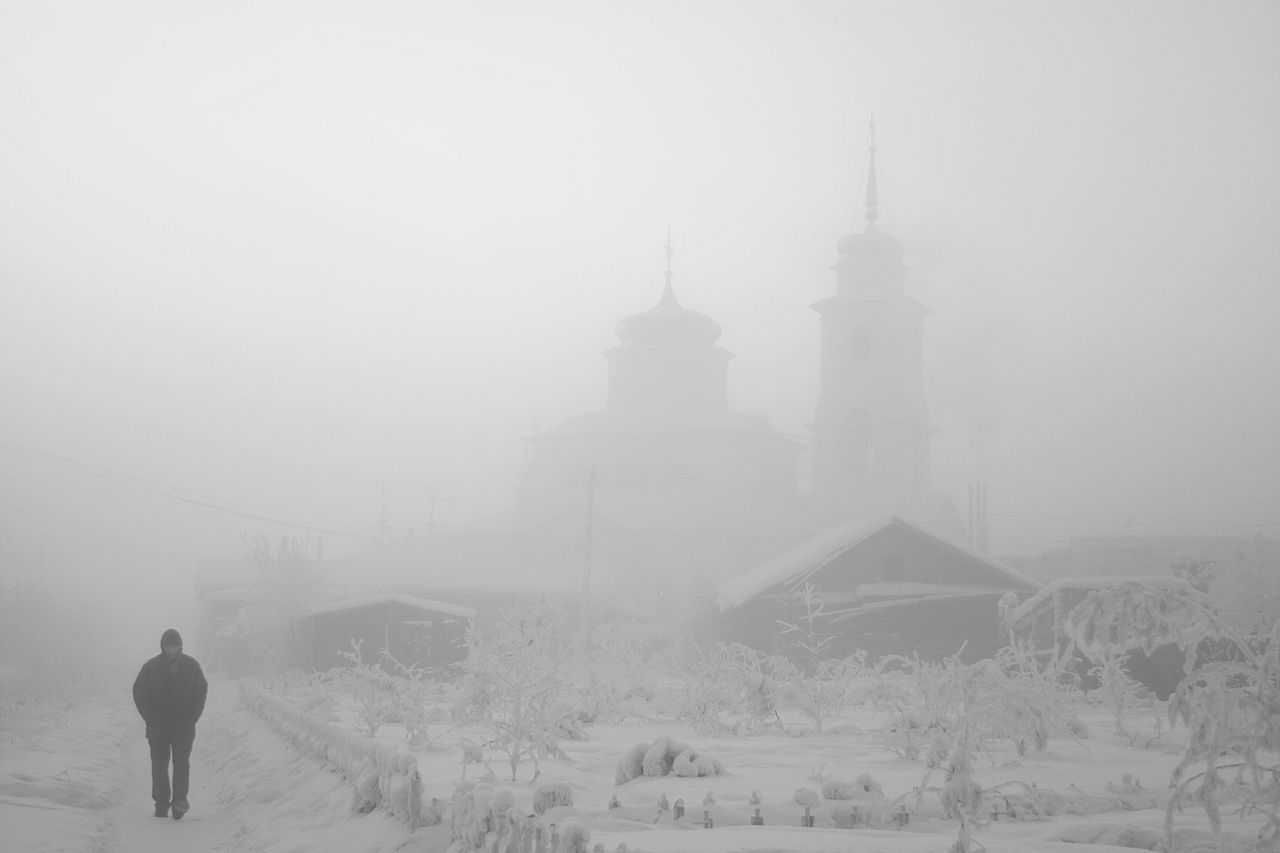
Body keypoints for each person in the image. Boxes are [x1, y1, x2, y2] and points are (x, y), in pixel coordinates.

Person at [132, 628, 208, 819]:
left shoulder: (191, 666)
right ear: (162, 646)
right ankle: (161, 803)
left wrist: (193, 716)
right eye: (168, 645)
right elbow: (139, 691)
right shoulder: (151, 667)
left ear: (181, 645)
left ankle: (179, 802)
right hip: (158, 726)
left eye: (175, 645)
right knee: (159, 765)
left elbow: (201, 690)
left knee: (182, 764)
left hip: (184, 725)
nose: (172, 649)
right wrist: (149, 716)